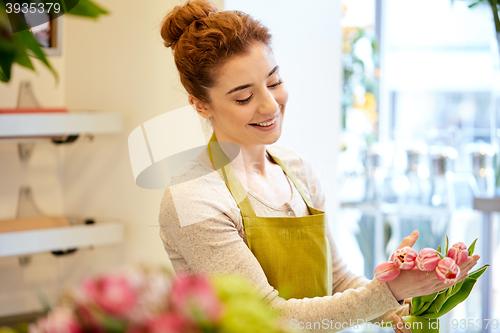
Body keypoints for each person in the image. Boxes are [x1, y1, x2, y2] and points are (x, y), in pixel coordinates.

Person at [157, 1, 480, 332]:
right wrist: (386, 293)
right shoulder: (193, 199)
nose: (270, 105)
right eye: (244, 98)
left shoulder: (296, 171)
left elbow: (337, 279)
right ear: (200, 104)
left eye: (274, 81)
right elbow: (269, 318)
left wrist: (407, 302)